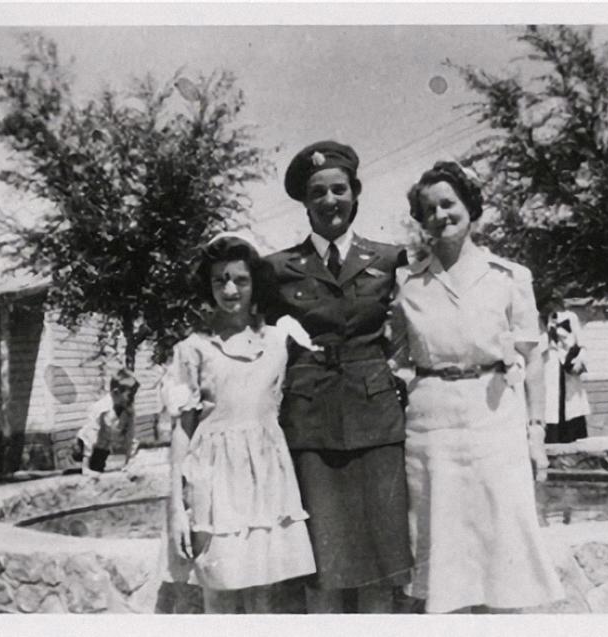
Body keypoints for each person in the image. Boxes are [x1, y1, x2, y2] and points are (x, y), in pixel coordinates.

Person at [392, 161, 565, 613]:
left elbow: (532, 358)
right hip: (431, 426)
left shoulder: (510, 276)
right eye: (428, 209)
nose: (440, 215)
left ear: (470, 207)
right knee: (440, 540)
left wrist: (536, 432)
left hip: (494, 417)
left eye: (448, 203)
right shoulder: (407, 284)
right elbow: (395, 358)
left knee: (502, 537)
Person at [262, 141, 412, 613]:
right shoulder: (278, 269)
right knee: (321, 566)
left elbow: (410, 330)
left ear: (356, 193)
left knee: (380, 561)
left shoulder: (389, 260)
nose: (330, 201)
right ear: (305, 203)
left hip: (376, 422)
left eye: (339, 189)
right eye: (318, 192)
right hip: (311, 425)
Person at [165, 232, 316, 613]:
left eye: (240, 280)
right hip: (214, 485)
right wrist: (176, 508)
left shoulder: (280, 341)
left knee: (264, 596)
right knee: (219, 590)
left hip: (266, 480)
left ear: (255, 283)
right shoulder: (193, 348)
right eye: (220, 280)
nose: (230, 289)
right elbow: (182, 431)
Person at [72, 369, 140, 476]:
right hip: (85, 442)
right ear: (116, 393)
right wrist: (86, 467)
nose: (132, 399)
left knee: (98, 469)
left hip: (103, 445)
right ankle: (81, 466)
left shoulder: (128, 411)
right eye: (130, 395)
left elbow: (131, 438)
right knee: (87, 470)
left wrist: (128, 464)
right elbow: (90, 435)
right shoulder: (101, 408)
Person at [542, 306, 590, 443]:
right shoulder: (542, 318)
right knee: (551, 402)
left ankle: (573, 436)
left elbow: (581, 342)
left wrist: (579, 359)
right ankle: (552, 437)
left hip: (567, 363)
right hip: (550, 364)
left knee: (572, 403)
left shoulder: (571, 317)